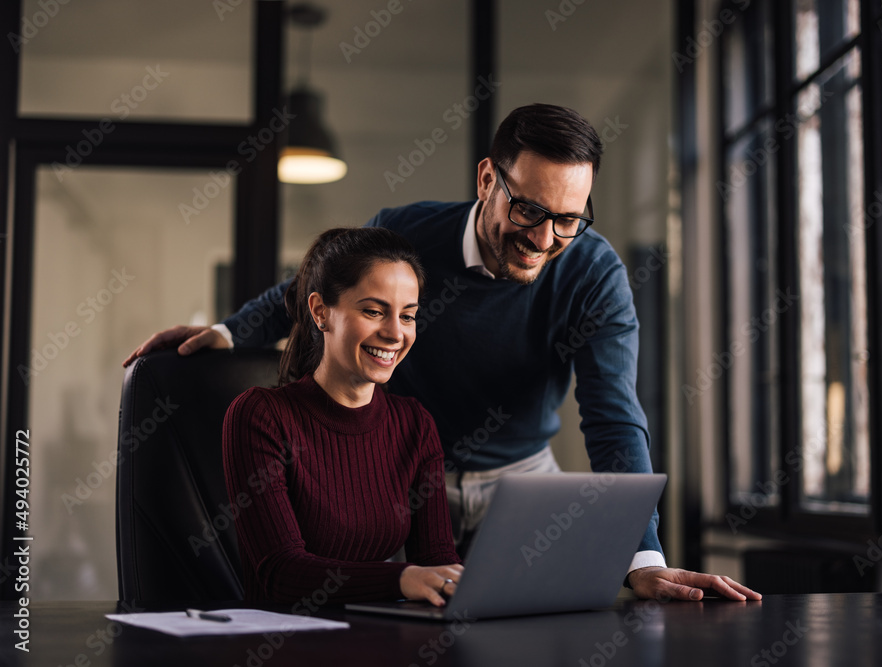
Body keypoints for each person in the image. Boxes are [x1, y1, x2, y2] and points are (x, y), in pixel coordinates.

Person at [129, 103, 760, 603]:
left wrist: (641, 557)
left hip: (520, 481)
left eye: (569, 219)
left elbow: (614, 417)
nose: (545, 239)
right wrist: (231, 331)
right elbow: (322, 282)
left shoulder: (593, 274)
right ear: (488, 179)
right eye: (529, 209)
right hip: (397, 474)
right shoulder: (409, 232)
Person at [222, 227, 462, 605]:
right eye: (373, 311)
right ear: (321, 312)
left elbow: (436, 562)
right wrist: (400, 579)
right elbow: (280, 573)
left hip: (381, 641)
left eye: (408, 316)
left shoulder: (415, 424)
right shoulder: (260, 416)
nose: (395, 333)